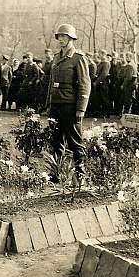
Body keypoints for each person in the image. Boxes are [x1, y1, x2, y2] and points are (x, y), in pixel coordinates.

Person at [47, 24, 91, 185]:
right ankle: (55, 174)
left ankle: (80, 176)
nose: (61, 39)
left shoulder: (78, 58)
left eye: (65, 37)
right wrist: (48, 104)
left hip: (70, 106)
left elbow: (85, 84)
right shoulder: (57, 57)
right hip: (56, 105)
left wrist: (81, 108)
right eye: (59, 37)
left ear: (72, 38)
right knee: (56, 140)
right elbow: (51, 83)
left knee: (75, 141)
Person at [92, 49, 111, 118]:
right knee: (99, 98)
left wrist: (96, 82)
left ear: (103, 54)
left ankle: (106, 113)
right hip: (99, 83)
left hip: (103, 83)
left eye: (100, 54)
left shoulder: (106, 63)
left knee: (104, 98)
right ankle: (101, 112)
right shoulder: (101, 63)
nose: (99, 55)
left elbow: (104, 74)